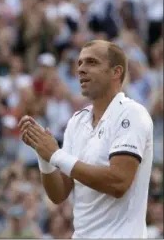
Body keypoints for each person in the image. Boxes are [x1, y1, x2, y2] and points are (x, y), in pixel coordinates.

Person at [18, 40, 153, 238]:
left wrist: (55, 155)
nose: (81, 69)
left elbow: (118, 183)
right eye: (80, 63)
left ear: (116, 72)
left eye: (91, 62)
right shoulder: (76, 121)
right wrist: (43, 155)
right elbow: (59, 194)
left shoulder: (131, 113)